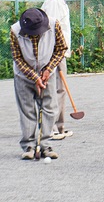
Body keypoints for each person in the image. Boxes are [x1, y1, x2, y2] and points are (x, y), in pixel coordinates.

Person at [10, 8, 68, 159]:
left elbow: (61, 48)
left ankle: (46, 144)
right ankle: (29, 146)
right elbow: (17, 58)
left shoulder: (54, 25)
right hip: (23, 76)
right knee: (27, 110)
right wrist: (35, 77)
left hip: (47, 73)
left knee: (50, 108)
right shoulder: (15, 30)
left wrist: (48, 70)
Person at [41, 0, 82, 140]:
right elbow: (49, 28)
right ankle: (49, 129)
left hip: (60, 52)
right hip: (53, 52)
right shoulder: (53, 1)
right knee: (53, 90)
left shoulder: (60, 0)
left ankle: (59, 126)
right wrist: (53, 55)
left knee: (59, 90)